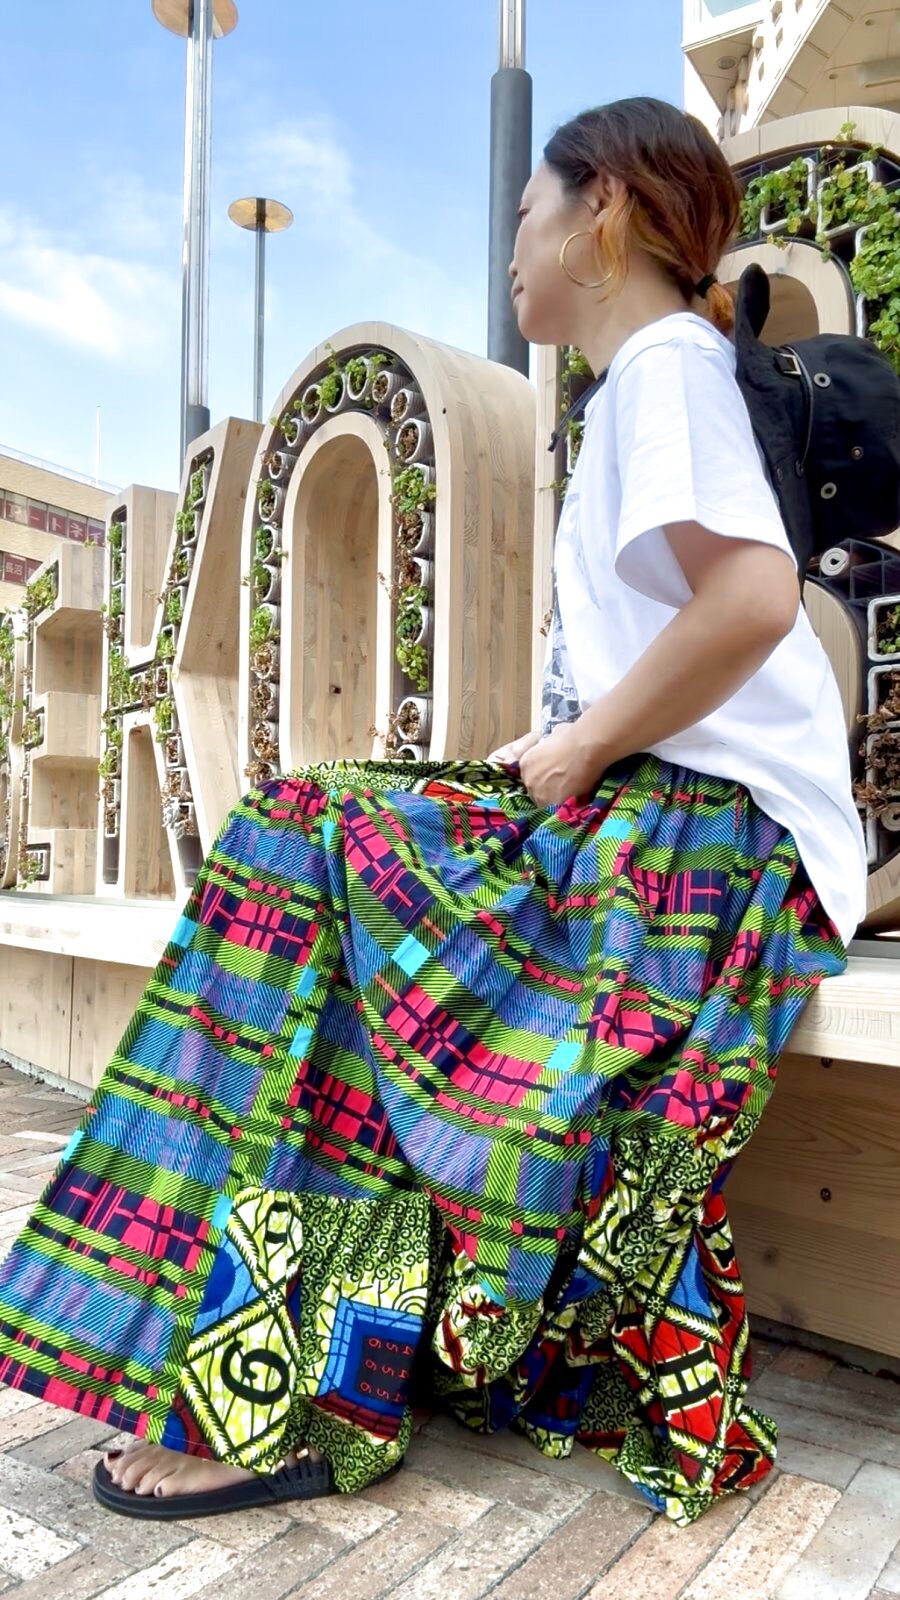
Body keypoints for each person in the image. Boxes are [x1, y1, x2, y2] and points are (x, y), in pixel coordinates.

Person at [0, 96, 865, 1529]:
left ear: (603, 211)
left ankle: (275, 1385)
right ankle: (300, 1378)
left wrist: (583, 746)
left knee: (300, 838)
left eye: (526, 213)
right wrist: (567, 744)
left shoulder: (664, 366)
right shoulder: (646, 381)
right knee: (319, 875)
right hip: (666, 820)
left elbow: (757, 600)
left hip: (711, 845)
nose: (511, 246)